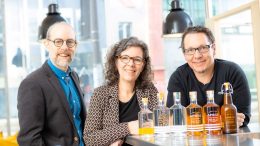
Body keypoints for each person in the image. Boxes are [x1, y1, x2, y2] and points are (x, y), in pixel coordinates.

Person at [17, 22, 86, 146]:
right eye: (58, 41)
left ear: (75, 45)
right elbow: (29, 140)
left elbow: (79, 123)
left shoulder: (74, 76)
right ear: (47, 44)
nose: (65, 47)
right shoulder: (32, 84)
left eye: (70, 42)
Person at [166, 26, 251, 127]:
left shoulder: (232, 72)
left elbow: (241, 118)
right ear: (184, 54)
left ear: (213, 48)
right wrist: (220, 120)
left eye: (203, 48)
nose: (197, 55)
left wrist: (194, 120)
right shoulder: (178, 78)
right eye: (190, 50)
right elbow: (175, 120)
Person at [83, 37, 158, 146]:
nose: (131, 64)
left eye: (137, 59)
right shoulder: (100, 94)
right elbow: (90, 138)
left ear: (143, 65)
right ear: (116, 62)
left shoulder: (149, 91)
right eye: (125, 58)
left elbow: (159, 126)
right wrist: (128, 127)